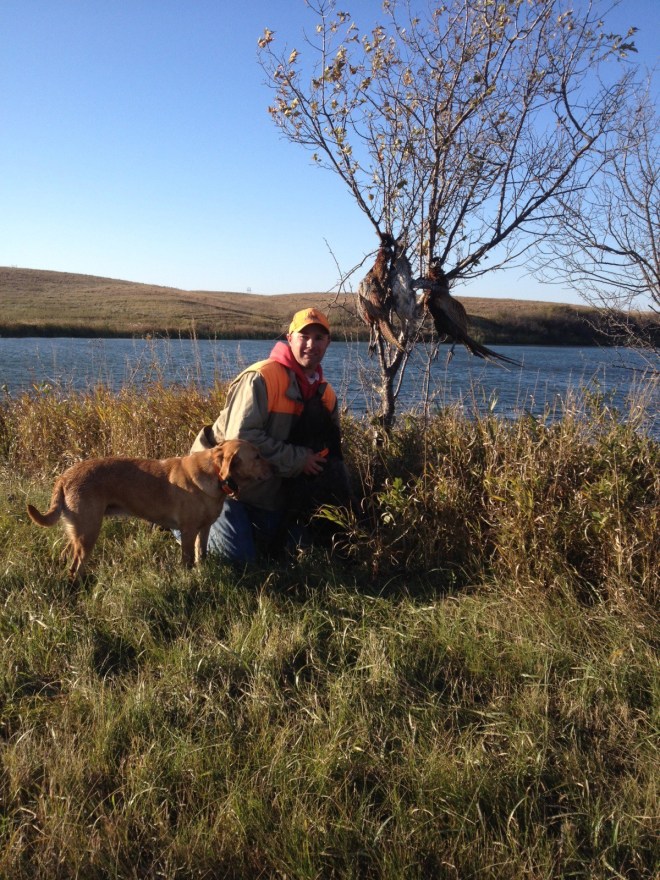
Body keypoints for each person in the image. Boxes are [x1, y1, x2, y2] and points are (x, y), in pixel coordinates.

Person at [190, 308, 349, 564]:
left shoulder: (325, 394)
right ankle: (179, 523)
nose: (311, 344)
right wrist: (299, 460)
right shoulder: (261, 377)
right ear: (289, 338)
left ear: (328, 342)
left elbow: (331, 453)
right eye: (304, 336)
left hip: (268, 495)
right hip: (220, 488)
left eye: (319, 337)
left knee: (298, 551)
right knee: (239, 559)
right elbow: (238, 441)